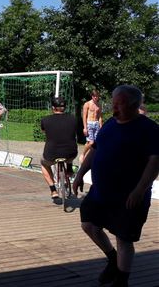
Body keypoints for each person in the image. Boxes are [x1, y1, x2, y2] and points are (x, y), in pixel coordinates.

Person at [72, 85, 158, 287]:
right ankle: (112, 258)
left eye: (118, 104)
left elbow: (155, 163)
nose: (113, 108)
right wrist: (80, 175)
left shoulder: (149, 129)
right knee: (89, 224)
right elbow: (94, 150)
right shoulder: (110, 123)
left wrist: (140, 190)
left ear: (134, 106)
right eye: (113, 103)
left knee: (123, 238)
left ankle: (122, 279)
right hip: (101, 192)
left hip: (128, 196)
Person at [40, 96, 78, 200]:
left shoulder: (45, 120)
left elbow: (44, 131)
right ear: (65, 107)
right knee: (69, 153)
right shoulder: (73, 118)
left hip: (51, 153)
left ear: (53, 108)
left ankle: (53, 190)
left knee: (43, 164)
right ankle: (69, 169)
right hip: (71, 152)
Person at [80, 90, 103, 163]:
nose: (96, 98)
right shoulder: (87, 104)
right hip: (89, 123)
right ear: (92, 96)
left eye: (97, 96)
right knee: (91, 142)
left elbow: (99, 116)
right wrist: (85, 127)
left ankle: (90, 157)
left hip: (96, 123)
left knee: (95, 143)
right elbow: (84, 116)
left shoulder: (99, 105)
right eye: (94, 96)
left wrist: (101, 126)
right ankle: (83, 154)